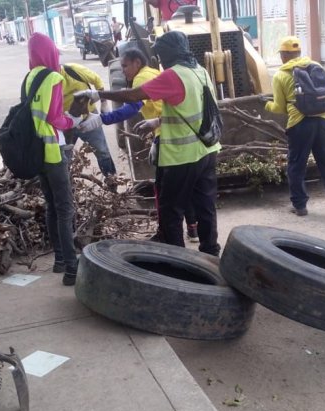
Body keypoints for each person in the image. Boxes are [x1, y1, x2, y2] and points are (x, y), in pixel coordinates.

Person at [75, 31, 221, 256]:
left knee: (170, 210)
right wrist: (157, 121)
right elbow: (193, 108)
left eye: (161, 54)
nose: (159, 59)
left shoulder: (174, 75)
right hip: (208, 151)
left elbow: (134, 96)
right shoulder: (199, 70)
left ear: (169, 53)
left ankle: (179, 262)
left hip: (183, 156)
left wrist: (98, 95)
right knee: (205, 206)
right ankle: (210, 254)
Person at [119, 48, 199, 242]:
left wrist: (101, 118)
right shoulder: (159, 72)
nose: (123, 71)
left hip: (166, 139)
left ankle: (168, 237)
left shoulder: (140, 79)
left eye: (125, 65)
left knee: (164, 195)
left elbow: (131, 106)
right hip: (184, 139)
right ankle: (194, 229)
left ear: (137, 62)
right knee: (184, 188)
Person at [264, 36, 325, 219]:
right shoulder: (317, 67)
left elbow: (278, 107)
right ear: (299, 53)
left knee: (297, 164)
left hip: (299, 124)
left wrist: (266, 105)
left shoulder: (280, 75)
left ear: (284, 56)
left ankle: (300, 206)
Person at [26, 33, 83, 285]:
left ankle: (60, 260)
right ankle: (72, 268)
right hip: (53, 151)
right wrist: (75, 121)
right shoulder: (54, 77)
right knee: (65, 208)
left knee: (51, 206)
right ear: (51, 53)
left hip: (37, 152)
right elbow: (55, 117)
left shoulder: (28, 78)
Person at [59, 62, 117, 179]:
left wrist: (104, 102)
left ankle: (112, 181)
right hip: (65, 124)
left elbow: (97, 80)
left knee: (102, 151)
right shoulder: (47, 82)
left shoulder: (74, 70)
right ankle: (68, 185)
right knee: (64, 157)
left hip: (88, 118)